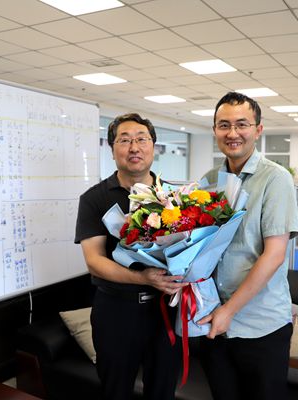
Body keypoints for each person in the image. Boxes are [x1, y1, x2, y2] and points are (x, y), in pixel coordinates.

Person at [197, 92, 298, 400]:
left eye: (242, 124)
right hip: (213, 320)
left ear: (258, 130)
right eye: (224, 125)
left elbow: (275, 254)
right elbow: (200, 245)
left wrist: (229, 310)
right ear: (214, 130)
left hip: (261, 324)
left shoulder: (276, 179)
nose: (232, 133)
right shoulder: (209, 180)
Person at [74, 113, 184, 400]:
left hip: (165, 310)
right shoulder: (94, 198)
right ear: (112, 150)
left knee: (163, 392)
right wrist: (142, 277)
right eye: (124, 141)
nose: (134, 147)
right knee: (116, 391)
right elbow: (94, 261)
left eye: (141, 139)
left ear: (153, 147)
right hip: (116, 312)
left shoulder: (175, 196)